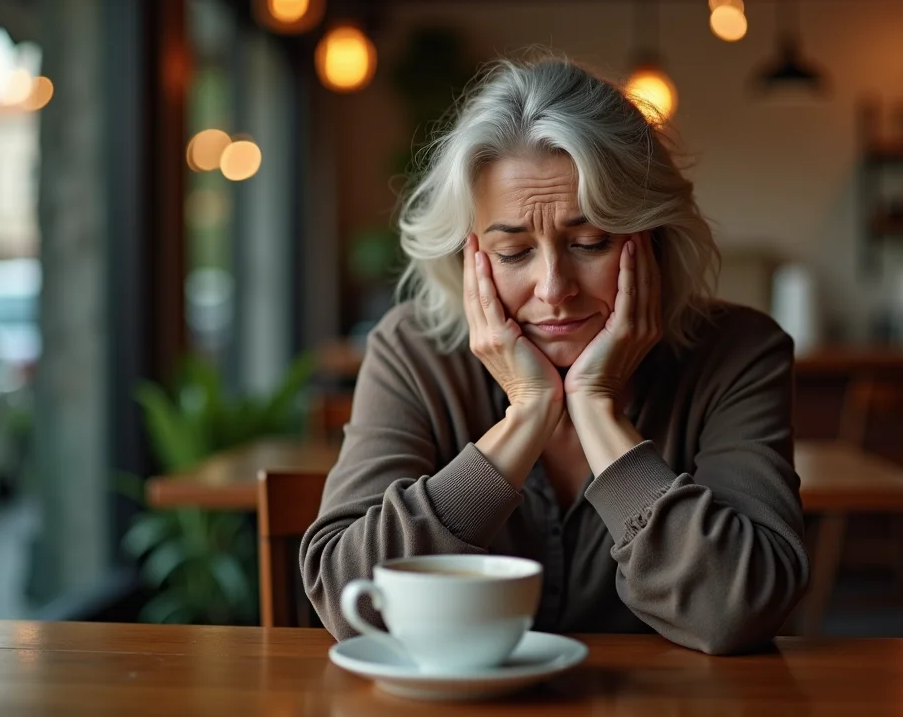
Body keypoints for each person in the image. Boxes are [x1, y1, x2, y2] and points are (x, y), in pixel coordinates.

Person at [300, 55, 809, 655]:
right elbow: (345, 596)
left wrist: (596, 409)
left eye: (590, 242)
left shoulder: (739, 354)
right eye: (514, 252)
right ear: (469, 260)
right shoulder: (411, 352)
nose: (553, 288)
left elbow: (741, 609)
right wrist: (526, 416)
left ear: (653, 239)